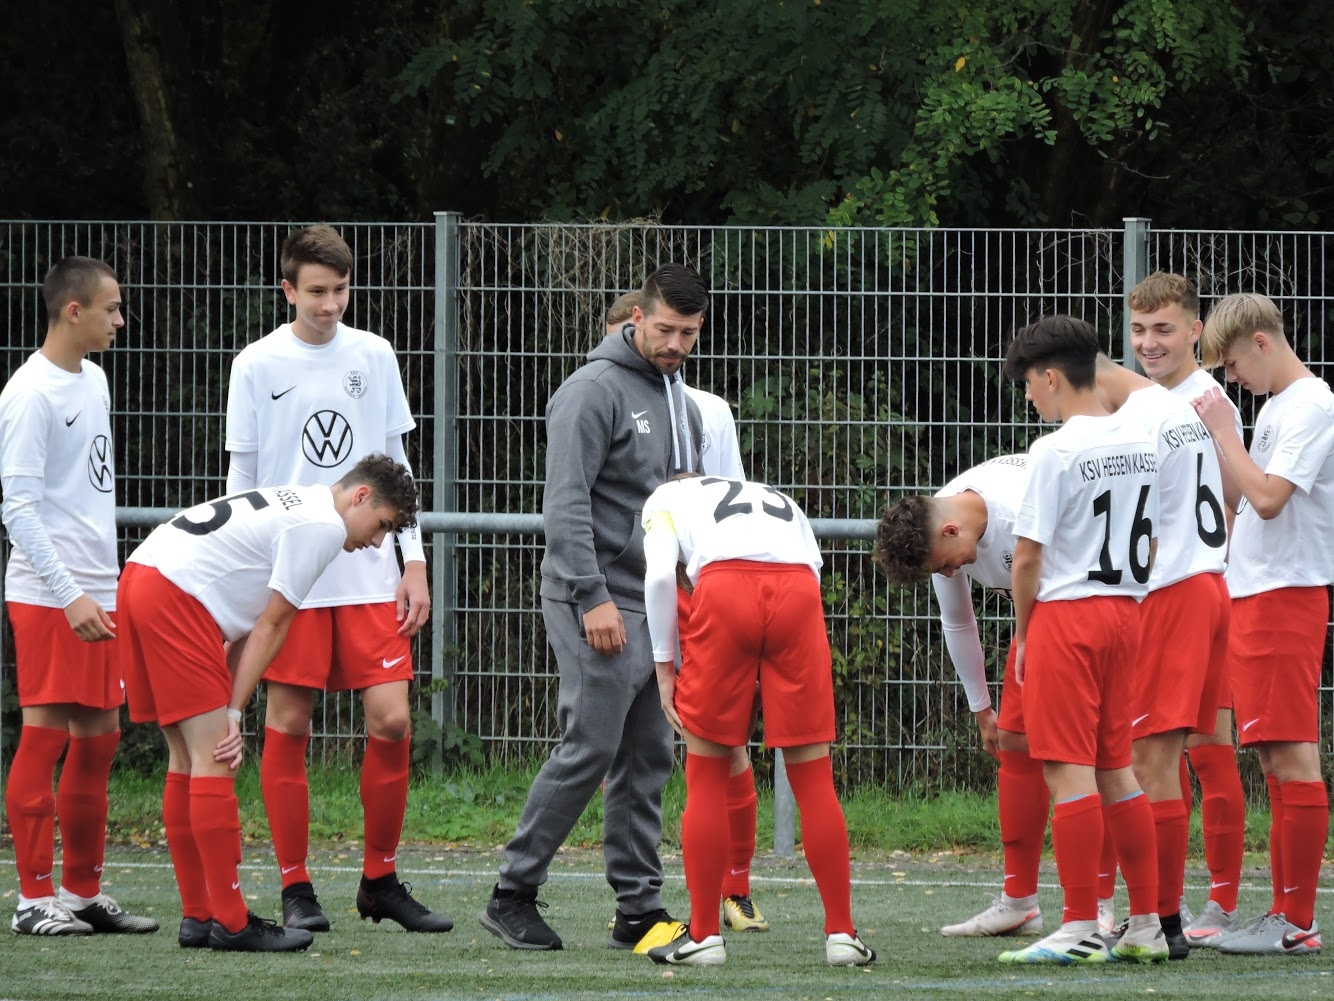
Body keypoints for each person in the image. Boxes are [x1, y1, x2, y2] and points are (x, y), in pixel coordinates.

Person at [224, 225, 449, 933]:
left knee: (393, 720)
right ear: (287, 289)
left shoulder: (374, 354)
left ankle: (379, 878)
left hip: (368, 570)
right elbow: (242, 477)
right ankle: (296, 887)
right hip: (292, 573)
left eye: (340, 290)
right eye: (316, 291)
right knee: (289, 722)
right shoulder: (255, 363)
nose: (329, 304)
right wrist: (243, 573)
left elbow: (396, 464)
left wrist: (413, 559)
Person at [481, 264, 706, 952]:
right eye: (664, 329)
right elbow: (566, 502)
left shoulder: (683, 402)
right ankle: (512, 892)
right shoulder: (591, 390)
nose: (675, 344)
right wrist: (592, 594)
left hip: (654, 602)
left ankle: (639, 908)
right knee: (591, 745)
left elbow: (686, 505)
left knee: (648, 754)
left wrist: (687, 597)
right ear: (637, 317)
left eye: (689, 333)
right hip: (595, 596)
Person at [119, 454, 420, 953]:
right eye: (382, 525)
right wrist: (233, 713)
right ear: (361, 496)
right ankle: (233, 922)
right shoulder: (324, 526)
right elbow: (273, 625)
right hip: (176, 596)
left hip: (142, 575)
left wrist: (227, 700)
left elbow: (246, 621)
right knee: (217, 757)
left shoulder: (300, 502)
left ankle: (199, 916)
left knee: (185, 758)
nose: (376, 542)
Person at [638, 474, 874, 968]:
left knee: (706, 775)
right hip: (798, 592)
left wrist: (664, 668)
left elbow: (660, 577)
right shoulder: (769, 495)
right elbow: (809, 568)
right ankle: (842, 934)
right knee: (815, 780)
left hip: (726, 589)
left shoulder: (664, 499)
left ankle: (704, 935)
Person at [997, 315, 1166, 965]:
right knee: (1115, 767)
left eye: (1028, 384)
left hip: (1068, 616)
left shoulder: (1055, 449)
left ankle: (1078, 925)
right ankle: (1145, 923)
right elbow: (1151, 539)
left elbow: (1027, 558)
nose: (1029, 397)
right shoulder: (1143, 438)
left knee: (1066, 769)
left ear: (1050, 377)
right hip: (1126, 612)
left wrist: (1024, 634)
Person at [0, 257, 158, 937]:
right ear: (74, 311)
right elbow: (18, 508)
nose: (120, 320)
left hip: (99, 588)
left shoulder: (93, 379)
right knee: (44, 738)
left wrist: (100, 586)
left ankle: (82, 891)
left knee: (99, 740)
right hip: (49, 594)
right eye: (111, 308)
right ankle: (33, 900)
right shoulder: (29, 393)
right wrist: (67, 594)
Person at [604, 294, 766, 935]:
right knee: (626, 743)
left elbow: (732, 498)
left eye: (682, 333)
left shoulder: (708, 410)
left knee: (725, 742)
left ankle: (736, 889)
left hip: (700, 591)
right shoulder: (600, 398)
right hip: (626, 585)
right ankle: (636, 894)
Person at [874, 455, 1073, 937]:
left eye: (944, 565)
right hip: (1036, 625)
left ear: (949, 532)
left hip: (1084, 612)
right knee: (1015, 747)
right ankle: (1019, 901)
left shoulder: (1017, 505)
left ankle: (1101, 906)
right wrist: (982, 709)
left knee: (1087, 759)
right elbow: (959, 621)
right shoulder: (944, 519)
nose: (948, 573)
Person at [1192, 293, 1331, 956]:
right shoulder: (1277, 406)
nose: (1232, 377)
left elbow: (1271, 499)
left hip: (1285, 595)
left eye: (1232, 363)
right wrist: (1213, 440)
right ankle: (1282, 912)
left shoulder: (1312, 403)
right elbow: (1246, 496)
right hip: (1254, 593)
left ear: (1261, 341)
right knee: (1274, 758)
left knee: (1293, 755)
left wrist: (1225, 432)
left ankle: (1296, 921)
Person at [1091, 352, 1230, 960]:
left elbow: (1131, 526)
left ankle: (1160, 919)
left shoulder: (1136, 421)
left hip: (1173, 590)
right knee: (1163, 760)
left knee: (1147, 760)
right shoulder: (1174, 409)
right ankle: (1163, 917)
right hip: (1207, 583)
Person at [1127, 272, 1247, 947]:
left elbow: (1231, 500)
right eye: (1139, 329)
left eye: (1164, 329)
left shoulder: (1198, 402)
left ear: (1196, 331)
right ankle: (1178, 904)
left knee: (1189, 750)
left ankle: (1190, 908)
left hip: (1185, 590)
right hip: (1194, 589)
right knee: (1187, 748)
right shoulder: (1166, 400)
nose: (1149, 342)